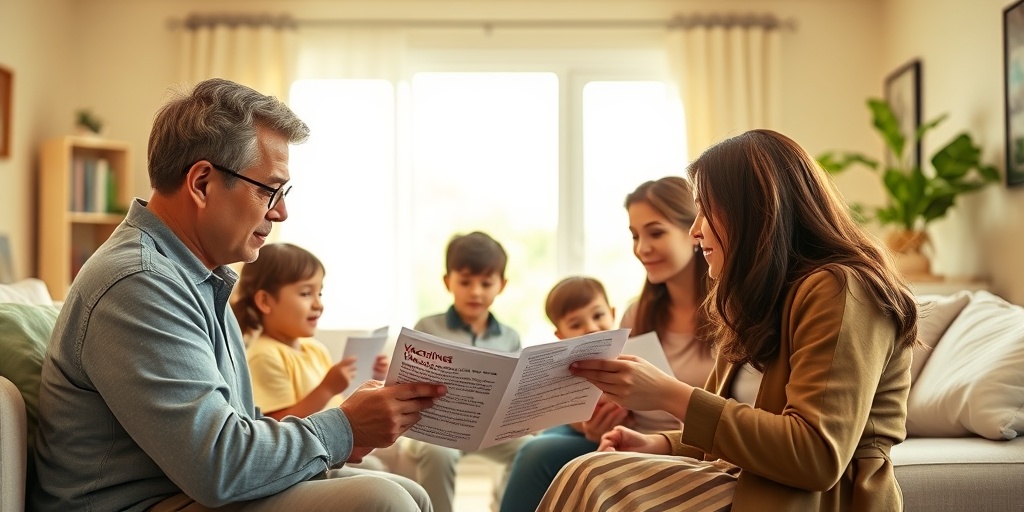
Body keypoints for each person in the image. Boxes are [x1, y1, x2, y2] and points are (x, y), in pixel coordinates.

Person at [32, 78, 445, 512]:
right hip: (139, 503)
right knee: (381, 499)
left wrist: (345, 434)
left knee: (409, 491)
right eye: (269, 189)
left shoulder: (197, 277)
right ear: (203, 183)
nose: (281, 211)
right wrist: (343, 427)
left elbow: (233, 429)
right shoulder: (138, 284)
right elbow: (219, 465)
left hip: (183, 490)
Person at [539, 129, 919, 511]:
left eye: (706, 210)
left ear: (753, 211)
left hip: (815, 499)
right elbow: (745, 426)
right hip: (745, 479)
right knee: (591, 469)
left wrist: (670, 394)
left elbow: (816, 456)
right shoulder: (751, 301)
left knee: (592, 476)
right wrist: (662, 444)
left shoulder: (842, 289)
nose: (695, 229)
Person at [501, 177, 716, 512]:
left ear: (695, 232)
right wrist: (591, 422)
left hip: (683, 449)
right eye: (635, 235)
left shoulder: (729, 316)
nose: (641, 248)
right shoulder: (637, 312)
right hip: (626, 435)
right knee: (537, 449)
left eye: (655, 232)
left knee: (542, 454)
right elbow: (608, 390)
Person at [231, 243, 394, 470]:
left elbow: (340, 403)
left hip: (338, 446)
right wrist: (327, 388)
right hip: (310, 457)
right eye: (306, 293)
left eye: (319, 293)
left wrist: (369, 376)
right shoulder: (264, 355)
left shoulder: (315, 349)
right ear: (265, 302)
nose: (318, 304)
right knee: (377, 469)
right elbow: (275, 427)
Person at [404, 231, 524, 512]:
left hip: (486, 427)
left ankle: (503, 506)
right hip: (432, 427)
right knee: (438, 453)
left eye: (486, 283)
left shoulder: (510, 337)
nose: (476, 292)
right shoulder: (427, 327)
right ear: (448, 282)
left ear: (502, 285)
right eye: (466, 282)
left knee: (528, 450)